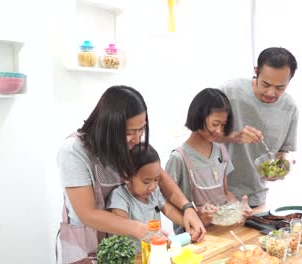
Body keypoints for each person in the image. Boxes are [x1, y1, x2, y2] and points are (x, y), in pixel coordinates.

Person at [57, 85, 205, 264]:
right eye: (129, 132)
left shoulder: (127, 144)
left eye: (141, 129)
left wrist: (188, 208)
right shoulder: (73, 151)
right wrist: (139, 229)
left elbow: (160, 175)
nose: (137, 139)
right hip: (85, 244)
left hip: (121, 242)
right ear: (109, 127)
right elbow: (87, 214)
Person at [217, 47, 299, 207]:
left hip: (255, 198)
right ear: (256, 71)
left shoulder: (290, 108)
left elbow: (282, 152)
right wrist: (235, 136)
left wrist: (280, 168)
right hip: (215, 195)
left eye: (280, 87)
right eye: (266, 84)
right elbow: (199, 134)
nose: (271, 92)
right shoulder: (229, 92)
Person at [165, 88, 252, 230]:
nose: (219, 131)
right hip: (193, 235)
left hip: (220, 230)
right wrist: (196, 214)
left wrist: (239, 207)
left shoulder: (221, 150)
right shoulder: (178, 158)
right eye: (215, 123)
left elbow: (225, 193)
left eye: (223, 125)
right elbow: (166, 204)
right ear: (199, 116)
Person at [106, 144, 184, 251]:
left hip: (153, 252)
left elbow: (169, 210)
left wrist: (188, 224)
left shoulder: (154, 192)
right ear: (126, 176)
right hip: (132, 257)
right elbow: (122, 230)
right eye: (146, 182)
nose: (153, 186)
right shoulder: (120, 197)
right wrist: (160, 240)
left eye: (156, 179)